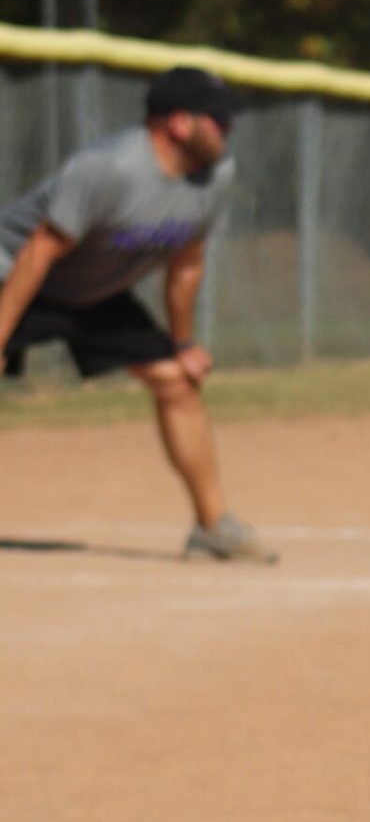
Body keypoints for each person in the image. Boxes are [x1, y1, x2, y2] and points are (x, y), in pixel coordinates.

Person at [0, 66, 276, 562]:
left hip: (90, 293)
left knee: (176, 381)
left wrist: (183, 344)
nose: (228, 128)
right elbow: (38, 254)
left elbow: (187, 265)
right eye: (218, 119)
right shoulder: (107, 169)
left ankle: (212, 526)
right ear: (179, 124)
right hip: (14, 275)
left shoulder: (215, 177)